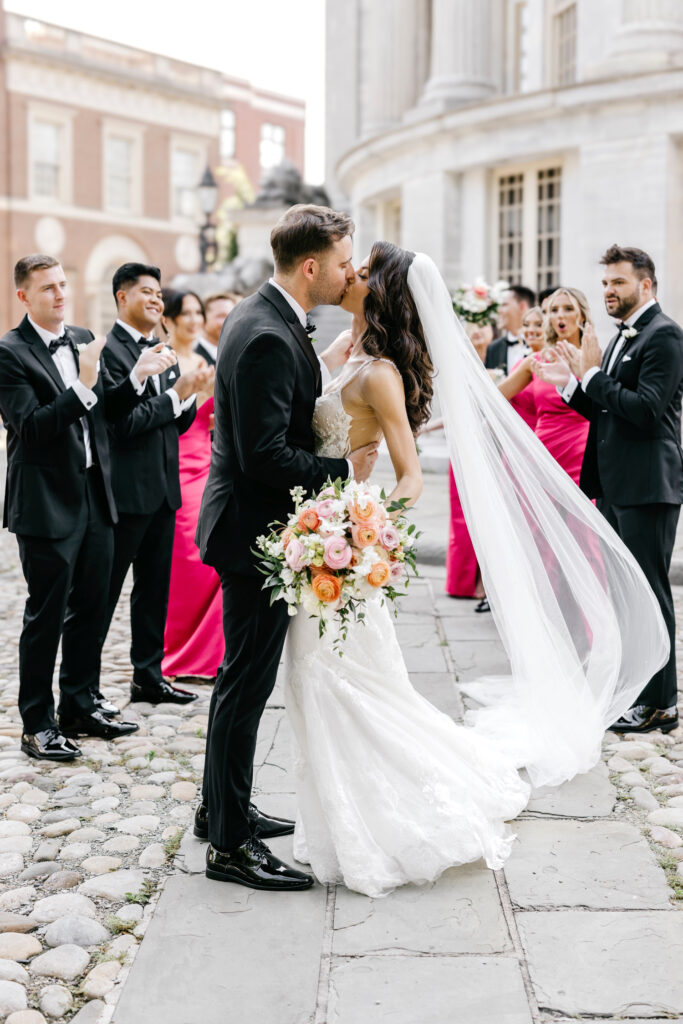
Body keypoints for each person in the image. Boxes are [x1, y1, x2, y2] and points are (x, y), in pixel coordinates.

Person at [282, 243, 668, 897]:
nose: (351, 274)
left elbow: (407, 482)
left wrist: (358, 533)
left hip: (339, 546)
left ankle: (370, 814)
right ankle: (335, 812)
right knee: (331, 685)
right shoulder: (356, 352)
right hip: (321, 532)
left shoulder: (378, 371)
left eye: (362, 271)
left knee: (344, 684)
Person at [194, 204, 380, 891]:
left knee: (238, 682)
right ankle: (229, 848)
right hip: (253, 533)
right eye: (340, 263)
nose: (345, 273)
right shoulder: (268, 333)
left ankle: (220, 808)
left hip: (251, 525)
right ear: (311, 267)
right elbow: (263, 454)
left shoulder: (261, 316)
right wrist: (342, 474)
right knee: (244, 686)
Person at [0, 255, 175, 759]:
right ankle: (37, 722)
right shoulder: (9, 353)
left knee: (92, 606)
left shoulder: (81, 337)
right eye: (47, 288)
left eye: (62, 284)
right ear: (24, 297)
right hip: (46, 502)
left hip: (98, 496)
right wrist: (83, 383)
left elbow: (110, 412)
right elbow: (31, 428)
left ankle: (80, 703)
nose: (59, 294)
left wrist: (136, 377)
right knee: (46, 614)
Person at [533, 245, 683, 734]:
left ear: (646, 284)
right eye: (604, 283)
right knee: (626, 595)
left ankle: (661, 703)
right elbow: (608, 412)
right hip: (616, 483)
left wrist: (593, 374)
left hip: (647, 485)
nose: (608, 291)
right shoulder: (620, 337)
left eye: (617, 283)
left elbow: (645, 410)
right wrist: (570, 387)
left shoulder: (664, 336)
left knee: (650, 594)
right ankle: (637, 690)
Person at [98, 264, 206, 707]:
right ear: (122, 297)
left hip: (163, 491)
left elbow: (170, 426)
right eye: (147, 292)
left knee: (153, 592)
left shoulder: (159, 348)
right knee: (103, 594)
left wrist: (188, 394)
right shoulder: (109, 351)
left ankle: (148, 676)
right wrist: (172, 395)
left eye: (159, 293)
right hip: (125, 495)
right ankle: (81, 689)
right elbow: (122, 424)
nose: (157, 300)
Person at [159, 290, 221, 680]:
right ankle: (176, 652)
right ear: (169, 318)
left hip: (208, 466)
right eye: (186, 313)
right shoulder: (162, 361)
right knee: (186, 562)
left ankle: (210, 653)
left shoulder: (208, 360)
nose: (195, 319)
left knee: (214, 558)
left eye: (198, 311)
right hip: (174, 465)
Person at [500, 289, 592, 487]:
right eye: (554, 310)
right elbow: (494, 397)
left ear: (582, 315)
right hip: (542, 453)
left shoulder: (592, 358)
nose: (560, 315)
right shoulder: (536, 362)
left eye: (568, 308)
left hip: (581, 454)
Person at [484, 285, 536, 375]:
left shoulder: (541, 343)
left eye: (504, 305)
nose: (499, 311)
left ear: (522, 306)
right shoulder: (493, 348)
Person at [194, 292, 242, 367]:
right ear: (203, 319)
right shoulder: (195, 362)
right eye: (221, 316)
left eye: (232, 315)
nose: (229, 321)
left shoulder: (242, 352)